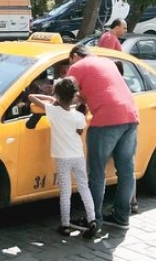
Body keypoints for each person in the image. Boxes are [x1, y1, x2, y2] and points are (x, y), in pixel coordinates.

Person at [68, 44, 139, 230]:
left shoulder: (77, 67)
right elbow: (102, 89)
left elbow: (65, 95)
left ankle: (94, 219)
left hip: (107, 119)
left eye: (70, 61)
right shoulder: (107, 62)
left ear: (75, 56)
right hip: (131, 116)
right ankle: (122, 217)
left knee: (97, 172)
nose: (69, 66)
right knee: (126, 171)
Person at [28, 77, 98, 239]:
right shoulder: (79, 116)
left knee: (65, 191)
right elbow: (79, 130)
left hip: (62, 157)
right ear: (73, 95)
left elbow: (32, 98)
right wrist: (66, 99)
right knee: (84, 188)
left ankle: (65, 225)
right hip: (78, 156)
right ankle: (92, 220)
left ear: (57, 95)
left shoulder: (52, 111)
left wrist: (51, 99)